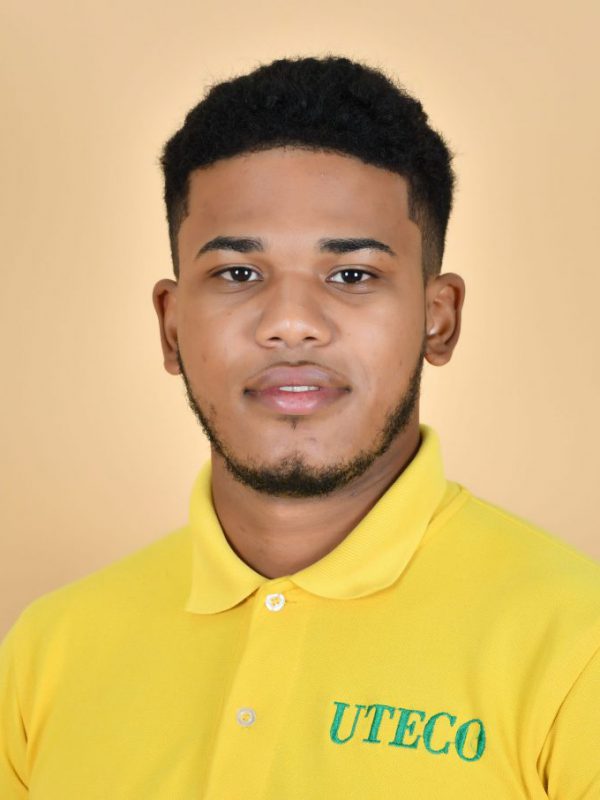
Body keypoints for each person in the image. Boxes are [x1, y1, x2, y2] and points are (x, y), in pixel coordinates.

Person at [1, 55, 599, 799]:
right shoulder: (47, 654)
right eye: (238, 274)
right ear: (171, 326)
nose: (290, 324)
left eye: (352, 275)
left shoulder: (578, 648)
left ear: (438, 319)